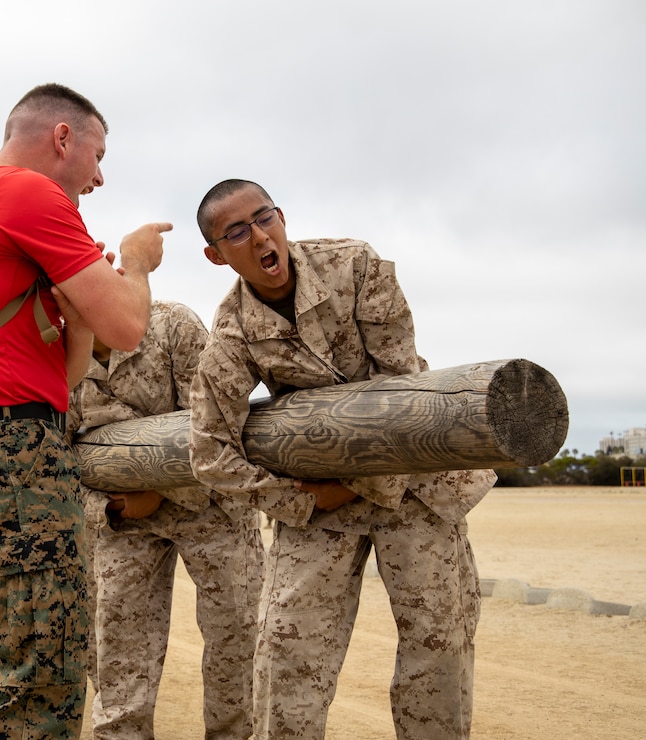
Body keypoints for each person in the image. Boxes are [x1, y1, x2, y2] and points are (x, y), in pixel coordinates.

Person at [189, 178, 497, 739]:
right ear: (216, 254)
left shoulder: (355, 267)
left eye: (265, 217)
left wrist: (349, 485)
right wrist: (298, 499)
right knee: (287, 651)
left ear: (282, 217)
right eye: (237, 231)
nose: (259, 236)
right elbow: (209, 449)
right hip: (319, 503)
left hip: (414, 483)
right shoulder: (232, 331)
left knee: (438, 646)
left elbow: (401, 392)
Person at [0, 82, 169, 738]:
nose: (100, 175)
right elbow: (129, 328)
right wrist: (137, 266)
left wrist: (78, 313)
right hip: (13, 466)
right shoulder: (28, 193)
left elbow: (67, 372)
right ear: (62, 138)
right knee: (39, 676)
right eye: (97, 154)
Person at [68, 299, 264, 739]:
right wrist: (112, 507)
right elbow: (55, 462)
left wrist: (160, 492)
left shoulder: (171, 325)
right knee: (117, 637)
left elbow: (219, 417)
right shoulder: (60, 361)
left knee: (234, 632)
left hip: (213, 505)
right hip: (126, 517)